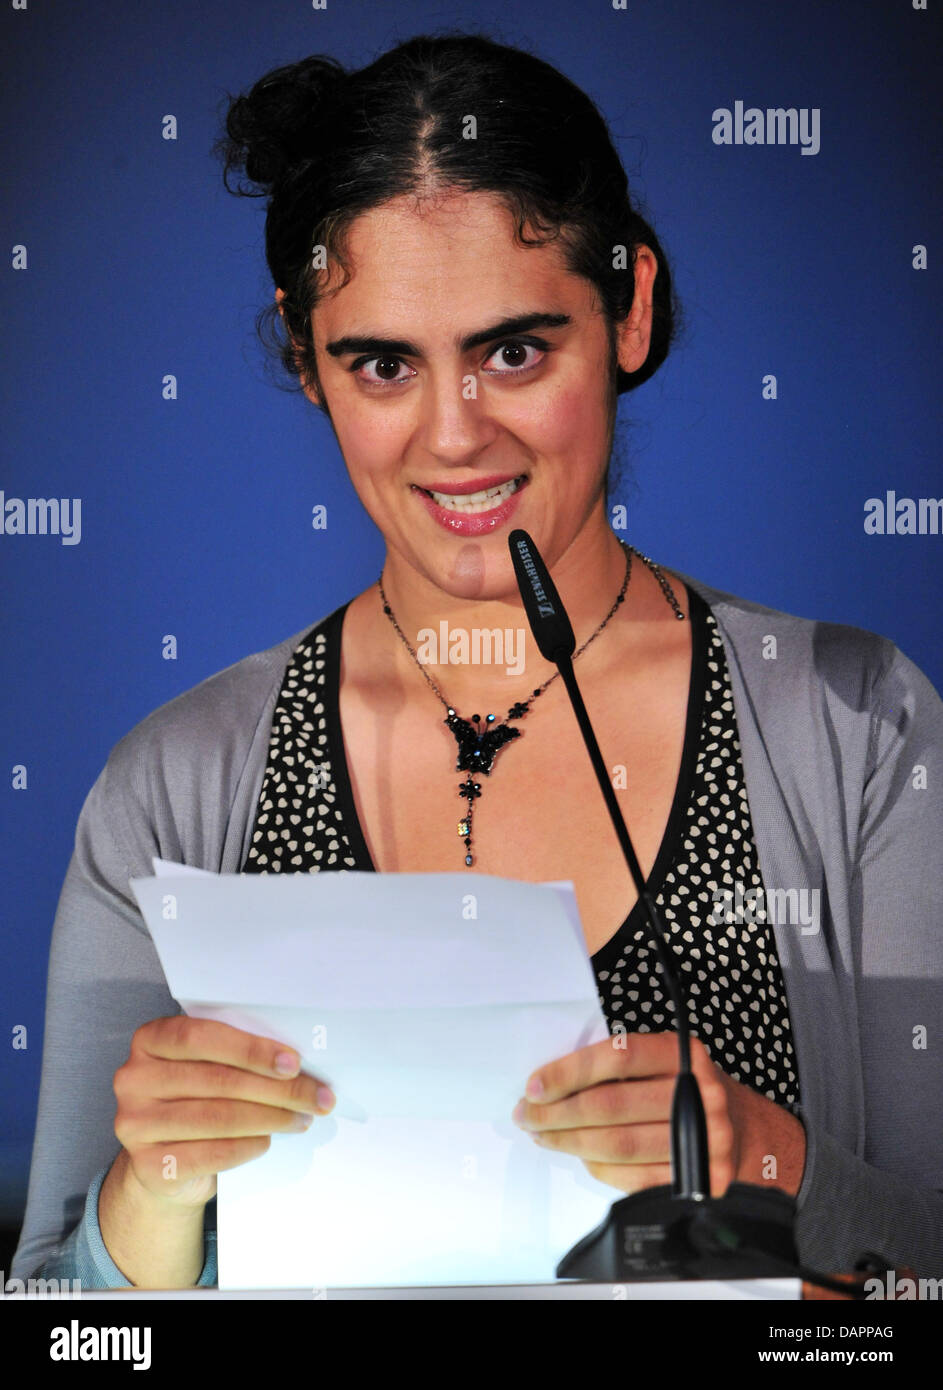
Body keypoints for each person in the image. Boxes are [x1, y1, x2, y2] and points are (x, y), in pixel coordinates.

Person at [11, 32, 943, 1292]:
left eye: (514, 350)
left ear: (631, 308)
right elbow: (61, 1330)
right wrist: (148, 1204)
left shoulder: (858, 730)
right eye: (383, 363)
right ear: (305, 356)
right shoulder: (170, 792)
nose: (454, 438)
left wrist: (774, 1163)